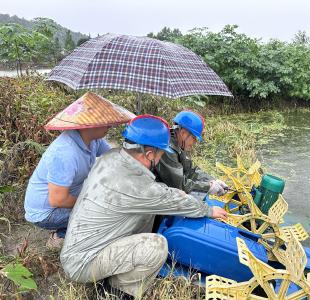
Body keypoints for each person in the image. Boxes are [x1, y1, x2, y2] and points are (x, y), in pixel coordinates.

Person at [60, 115, 227, 298]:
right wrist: (208, 211)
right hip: (84, 263)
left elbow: (158, 193)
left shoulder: (111, 157)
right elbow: (169, 199)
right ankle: (115, 291)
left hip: (80, 246)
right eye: (161, 154)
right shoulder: (135, 185)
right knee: (156, 246)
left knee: (149, 212)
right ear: (149, 154)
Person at [24, 92, 134, 248]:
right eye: (106, 121)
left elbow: (112, 157)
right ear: (90, 124)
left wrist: (135, 160)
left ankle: (71, 227)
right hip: (47, 212)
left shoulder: (93, 140)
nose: (110, 125)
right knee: (103, 213)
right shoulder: (65, 152)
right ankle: (59, 236)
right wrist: (95, 202)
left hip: (66, 197)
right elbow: (57, 200)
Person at [156, 110, 228, 196]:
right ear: (183, 133)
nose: (195, 143)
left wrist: (212, 180)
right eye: (194, 138)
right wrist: (208, 187)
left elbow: (190, 171)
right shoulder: (166, 149)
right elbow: (179, 184)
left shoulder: (178, 144)